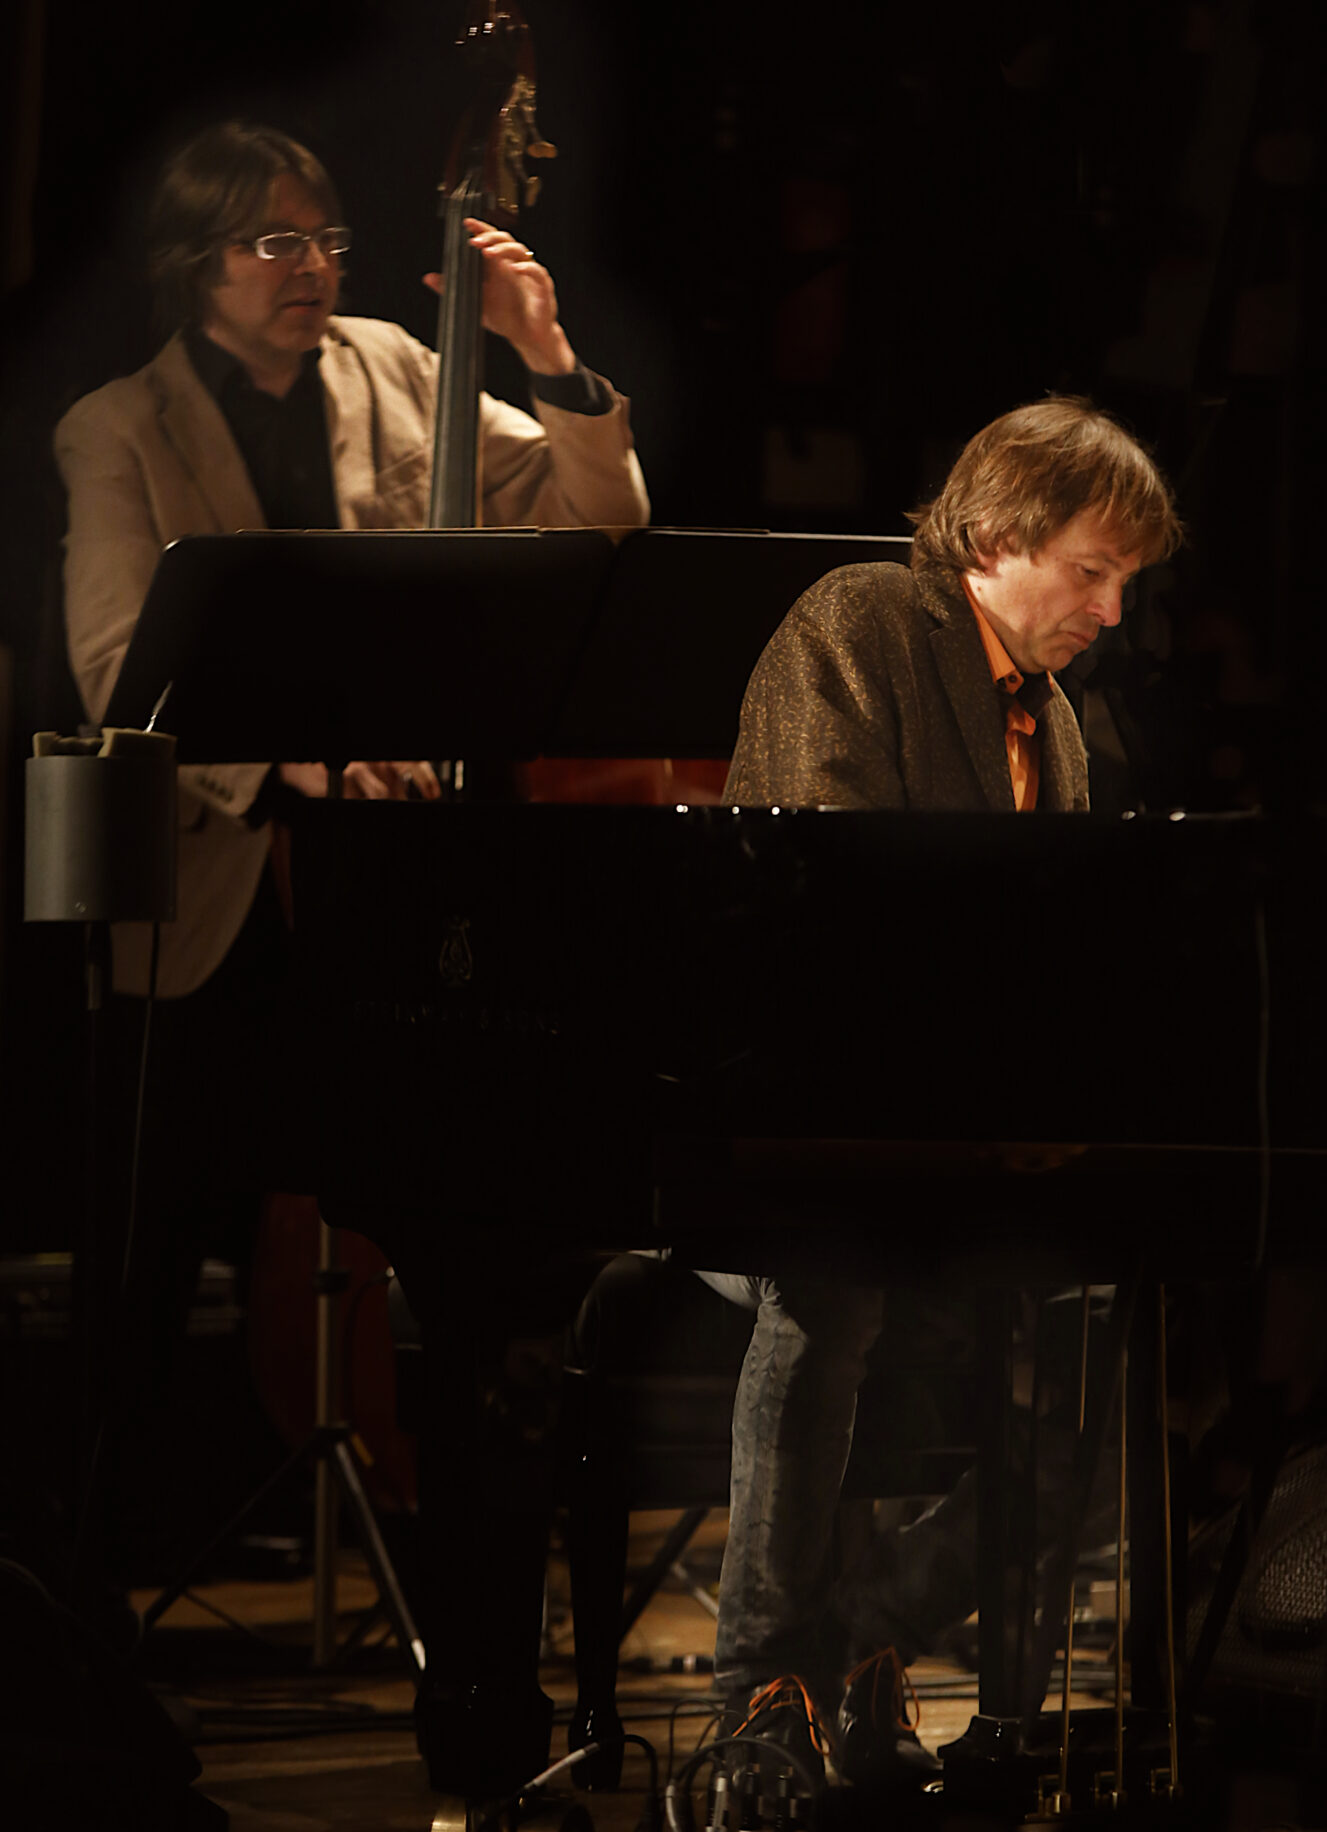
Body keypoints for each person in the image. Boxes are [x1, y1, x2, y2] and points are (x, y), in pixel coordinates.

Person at [52, 120, 649, 1794]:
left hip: (398, 893)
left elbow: (602, 522)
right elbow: (117, 666)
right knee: (141, 1282)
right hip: (217, 900)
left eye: (322, 239)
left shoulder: (400, 367)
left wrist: (549, 359)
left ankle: (473, 1669)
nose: (310, 267)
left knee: (450, 1252)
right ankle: (81, 1647)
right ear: (195, 265)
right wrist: (298, 762)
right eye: (273, 243)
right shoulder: (119, 428)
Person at [707, 395, 1182, 1787]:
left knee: (1116, 1380)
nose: (1110, 610)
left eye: (1125, 583)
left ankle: (853, 1636)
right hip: (798, 1126)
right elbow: (827, 896)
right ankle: (754, 1698)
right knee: (829, 1283)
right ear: (991, 537)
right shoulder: (861, 620)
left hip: (958, 1144)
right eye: (1090, 571)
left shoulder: (1057, 722)